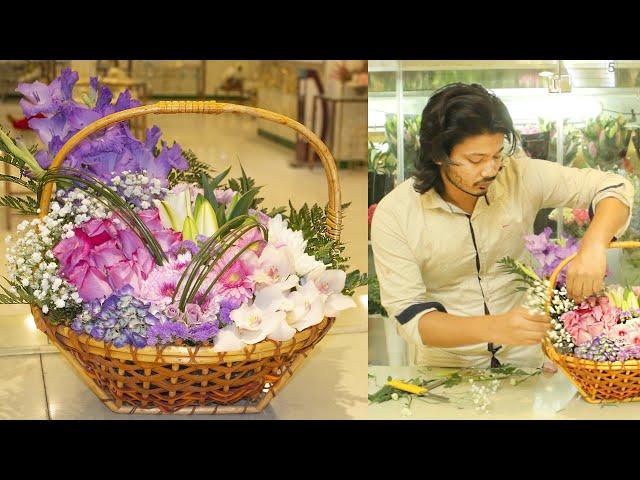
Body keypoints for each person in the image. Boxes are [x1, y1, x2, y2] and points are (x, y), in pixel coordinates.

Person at [370, 83, 634, 368]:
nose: (490, 170)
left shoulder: (518, 175)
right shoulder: (396, 214)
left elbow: (614, 187)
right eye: (475, 159)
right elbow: (411, 316)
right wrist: (494, 327)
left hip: (529, 362)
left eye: (496, 155)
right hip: (447, 371)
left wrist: (593, 245)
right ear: (438, 156)